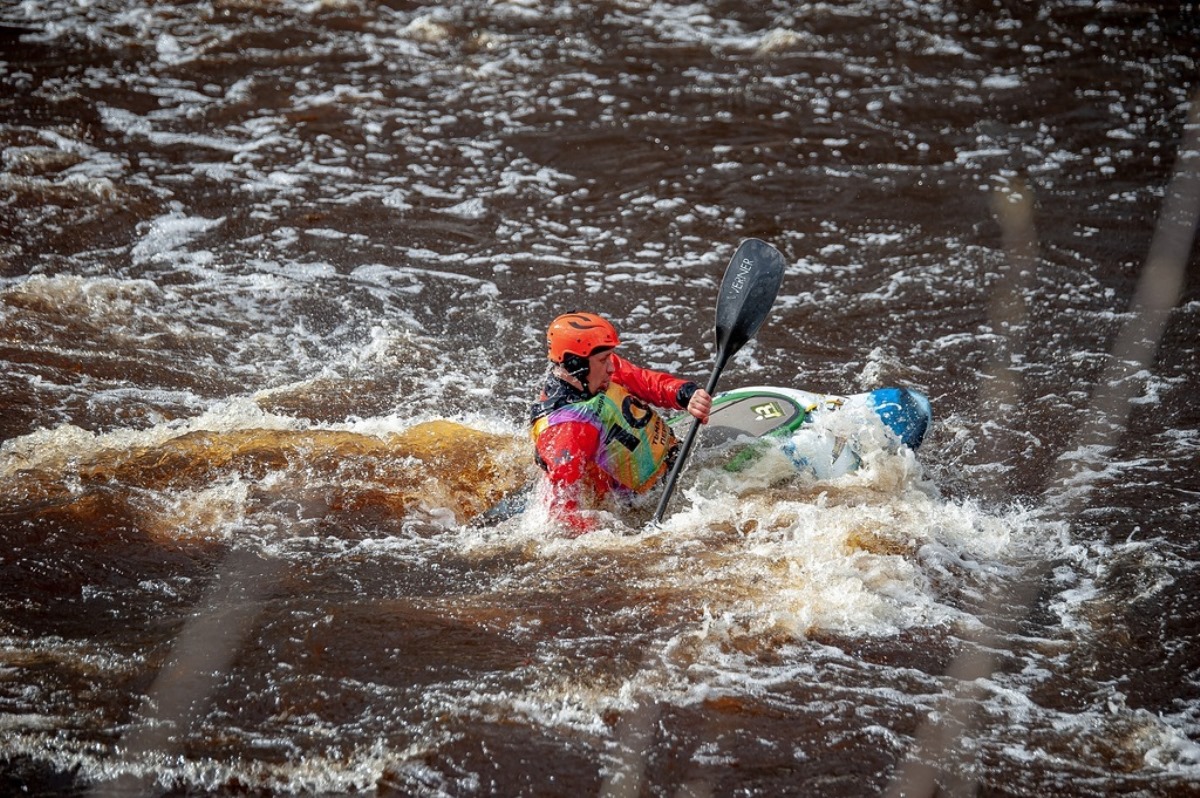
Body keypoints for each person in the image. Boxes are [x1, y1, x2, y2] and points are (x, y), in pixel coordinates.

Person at [529, 312, 712, 534]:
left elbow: (645, 382)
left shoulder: (592, 372)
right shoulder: (567, 431)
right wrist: (612, 538)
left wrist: (685, 394)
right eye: (603, 360)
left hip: (673, 464)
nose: (611, 368)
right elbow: (562, 515)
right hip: (639, 504)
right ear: (575, 364)